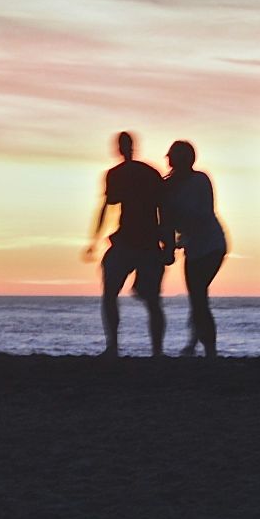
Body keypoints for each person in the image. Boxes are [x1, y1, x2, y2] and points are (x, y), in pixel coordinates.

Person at [84, 131, 166, 358]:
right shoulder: (147, 173)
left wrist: (94, 239)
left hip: (139, 242)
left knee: (121, 295)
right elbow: (163, 209)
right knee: (144, 299)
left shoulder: (122, 174)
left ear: (120, 148)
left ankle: (117, 346)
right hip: (137, 242)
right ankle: (140, 349)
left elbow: (107, 207)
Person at [163, 139, 226, 357]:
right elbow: (167, 220)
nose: (168, 159)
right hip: (193, 247)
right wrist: (170, 245)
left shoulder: (200, 180)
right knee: (197, 297)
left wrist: (178, 240)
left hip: (211, 245)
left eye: (171, 155)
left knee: (198, 296)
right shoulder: (168, 186)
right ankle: (196, 343)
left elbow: (204, 213)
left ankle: (209, 348)